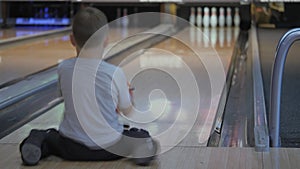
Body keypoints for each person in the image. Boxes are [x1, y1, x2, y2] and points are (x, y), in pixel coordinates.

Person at [19, 7, 159, 166]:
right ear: (106, 40)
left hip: (70, 147)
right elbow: (127, 110)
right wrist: (128, 98)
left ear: (72, 39)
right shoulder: (115, 73)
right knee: (139, 134)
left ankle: (35, 147)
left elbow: (64, 96)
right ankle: (143, 147)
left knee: (43, 135)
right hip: (111, 148)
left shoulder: (63, 68)